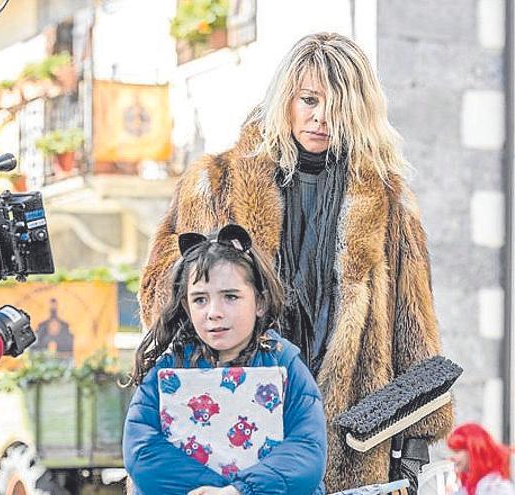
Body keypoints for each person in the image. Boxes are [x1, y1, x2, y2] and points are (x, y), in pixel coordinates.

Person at [138, 32, 452, 491]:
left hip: (351, 434)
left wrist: (416, 444)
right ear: (286, 97)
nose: (321, 117)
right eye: (308, 99)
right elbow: (159, 300)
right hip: (230, 420)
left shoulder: (386, 198)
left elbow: (415, 327)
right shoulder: (216, 181)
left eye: (338, 105)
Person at [124, 225, 326, 495]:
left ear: (260, 303)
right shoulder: (169, 369)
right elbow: (142, 451)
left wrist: (240, 491)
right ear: (185, 306)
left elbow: (306, 451)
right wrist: (220, 491)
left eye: (230, 296)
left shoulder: (284, 365)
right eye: (199, 300)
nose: (214, 312)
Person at [447, 423, 515, 495]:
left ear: (474, 451)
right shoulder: (468, 488)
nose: (451, 457)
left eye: (457, 452)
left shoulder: (498, 488)